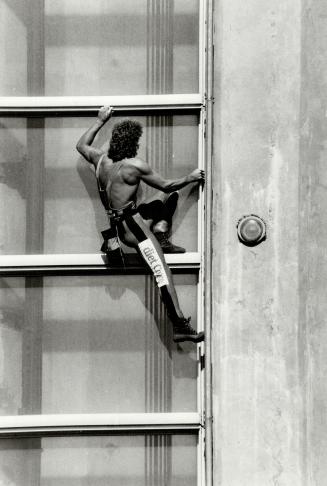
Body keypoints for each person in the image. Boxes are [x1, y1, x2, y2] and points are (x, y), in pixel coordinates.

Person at [76, 105, 204, 343]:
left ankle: (160, 234)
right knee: (162, 272)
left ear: (114, 141)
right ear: (134, 142)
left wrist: (100, 120)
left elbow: (81, 145)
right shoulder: (134, 166)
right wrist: (190, 177)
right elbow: (166, 184)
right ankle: (180, 326)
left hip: (118, 228)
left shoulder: (100, 159)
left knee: (160, 205)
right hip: (134, 228)